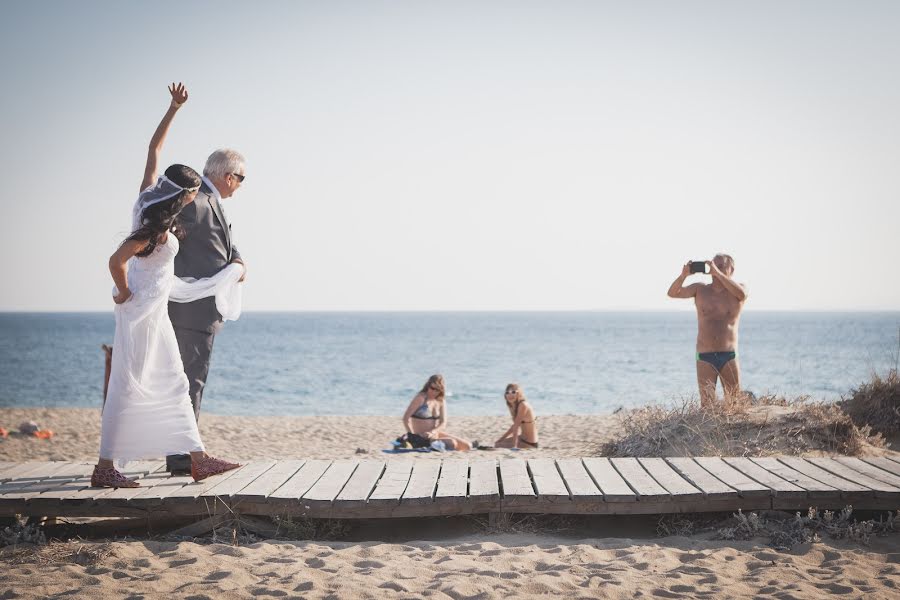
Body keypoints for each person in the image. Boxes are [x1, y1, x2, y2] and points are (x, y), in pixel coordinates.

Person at [92, 83, 240, 488]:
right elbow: (116, 261)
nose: (196, 198)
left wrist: (173, 109)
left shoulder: (146, 199)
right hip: (142, 311)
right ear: (183, 197)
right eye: (193, 194)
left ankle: (197, 458)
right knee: (129, 381)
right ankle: (105, 467)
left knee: (173, 378)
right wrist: (124, 294)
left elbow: (154, 150)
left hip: (154, 310)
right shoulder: (153, 230)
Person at [165, 143, 247, 474]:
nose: (241, 185)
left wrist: (237, 260)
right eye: (242, 178)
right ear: (229, 176)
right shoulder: (196, 201)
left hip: (200, 308)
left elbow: (222, 242)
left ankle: (183, 451)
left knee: (191, 378)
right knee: (190, 380)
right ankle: (183, 455)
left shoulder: (209, 199)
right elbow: (161, 228)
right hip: (191, 308)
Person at [667, 254, 748, 407]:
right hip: (705, 355)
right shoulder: (700, 289)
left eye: (721, 266)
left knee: (734, 403)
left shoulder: (739, 290)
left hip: (728, 355)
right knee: (707, 405)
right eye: (714, 265)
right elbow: (672, 293)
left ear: (732, 269)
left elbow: (742, 295)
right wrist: (683, 276)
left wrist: (718, 273)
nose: (715, 269)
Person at [400, 374, 472, 451]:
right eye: (432, 388)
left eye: (437, 389)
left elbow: (443, 422)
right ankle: (434, 446)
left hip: (434, 434)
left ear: (441, 390)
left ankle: (436, 446)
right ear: (428, 386)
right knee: (452, 443)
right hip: (421, 437)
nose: (434, 391)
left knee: (467, 446)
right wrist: (413, 437)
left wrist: (432, 432)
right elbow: (405, 418)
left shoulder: (440, 400)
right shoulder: (421, 398)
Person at [494, 383, 539, 449]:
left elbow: (516, 426)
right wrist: (500, 439)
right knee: (497, 444)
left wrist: (514, 446)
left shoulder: (523, 405)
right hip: (521, 438)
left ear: (519, 393)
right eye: (507, 392)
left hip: (530, 443)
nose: (510, 395)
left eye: (513, 392)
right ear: (505, 395)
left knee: (498, 446)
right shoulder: (512, 405)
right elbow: (514, 426)